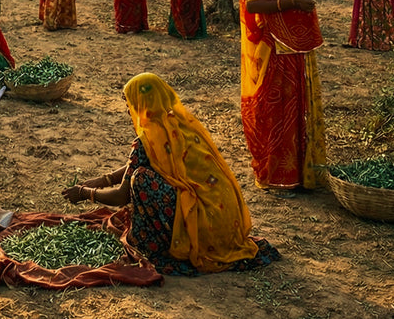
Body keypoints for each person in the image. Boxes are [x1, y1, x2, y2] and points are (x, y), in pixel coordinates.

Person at [62, 73, 279, 275]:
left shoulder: (148, 139)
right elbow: (142, 160)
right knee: (144, 173)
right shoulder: (180, 125)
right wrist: (103, 180)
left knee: (142, 179)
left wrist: (85, 193)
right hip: (225, 221)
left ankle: (160, 243)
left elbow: (122, 195)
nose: (129, 111)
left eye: (130, 105)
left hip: (202, 224)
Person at [239, 0, 348, 193]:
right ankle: (280, 174)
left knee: (301, 105)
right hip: (275, 46)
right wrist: (291, 3)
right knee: (278, 107)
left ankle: (303, 172)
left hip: (300, 44)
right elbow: (252, 4)